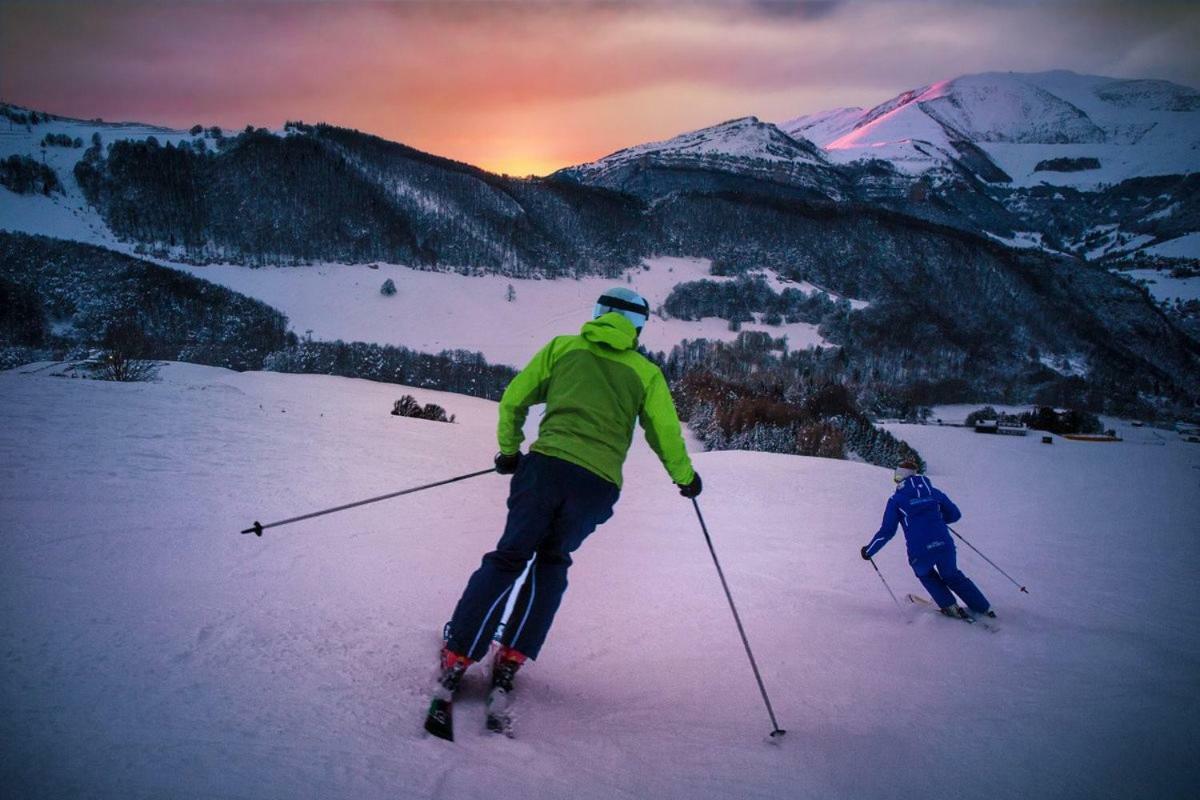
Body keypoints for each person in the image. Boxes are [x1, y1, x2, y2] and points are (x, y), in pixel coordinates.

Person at [433, 287, 701, 726]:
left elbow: (515, 398)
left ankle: (459, 652)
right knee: (552, 562)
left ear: (598, 315)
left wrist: (508, 451)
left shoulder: (563, 348)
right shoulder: (645, 372)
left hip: (544, 470)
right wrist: (685, 478)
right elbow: (665, 433)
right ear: (638, 326)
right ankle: (512, 656)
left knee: (509, 558)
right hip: (596, 485)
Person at [860, 460, 993, 620]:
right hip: (945, 544)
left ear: (900, 476)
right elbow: (955, 515)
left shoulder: (897, 500)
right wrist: (936, 519)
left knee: (925, 574)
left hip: (920, 551)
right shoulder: (934, 492)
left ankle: (950, 606)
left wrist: (869, 551)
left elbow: (887, 531)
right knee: (952, 575)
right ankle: (983, 608)